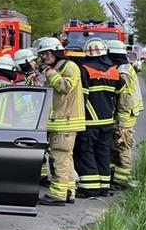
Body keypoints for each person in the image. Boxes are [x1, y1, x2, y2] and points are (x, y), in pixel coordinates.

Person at [37, 36, 84, 206]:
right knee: (66, 158)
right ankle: (69, 192)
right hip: (61, 120)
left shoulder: (69, 66)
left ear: (55, 51)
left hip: (66, 121)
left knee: (60, 158)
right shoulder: (57, 67)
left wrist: (50, 73)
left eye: (46, 54)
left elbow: (65, 87)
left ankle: (57, 195)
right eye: (42, 55)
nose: (43, 58)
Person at [75, 39, 122, 198]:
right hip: (108, 121)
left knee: (86, 152)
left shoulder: (85, 70)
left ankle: (89, 188)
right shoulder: (114, 72)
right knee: (103, 153)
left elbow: (82, 98)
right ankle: (104, 188)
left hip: (90, 121)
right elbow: (120, 95)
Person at [106, 40, 143, 190]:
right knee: (115, 146)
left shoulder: (123, 72)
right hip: (127, 113)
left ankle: (121, 180)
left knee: (123, 146)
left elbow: (125, 99)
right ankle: (115, 176)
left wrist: (120, 120)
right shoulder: (125, 67)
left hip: (125, 116)